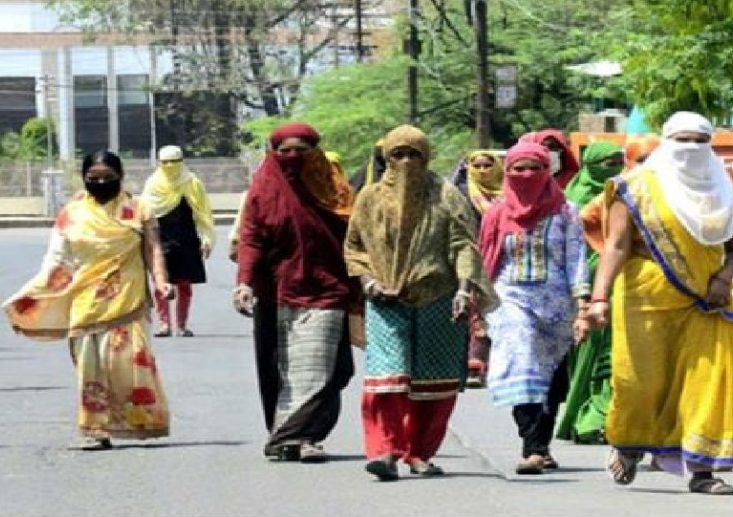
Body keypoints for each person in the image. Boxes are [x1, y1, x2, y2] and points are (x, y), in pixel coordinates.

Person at [589, 112, 733, 495]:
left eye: (700, 141)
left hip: (705, 299)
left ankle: (703, 470)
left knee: (708, 381)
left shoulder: (724, 191)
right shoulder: (634, 187)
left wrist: (723, 279)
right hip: (643, 298)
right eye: (683, 140)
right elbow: (616, 246)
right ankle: (629, 444)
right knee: (641, 384)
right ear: (666, 142)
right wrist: (598, 297)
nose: (691, 149)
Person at [345, 125, 496, 481]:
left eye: (413, 155)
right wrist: (370, 283)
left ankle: (420, 452)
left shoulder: (446, 195)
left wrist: (464, 290)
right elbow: (354, 248)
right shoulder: (369, 198)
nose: (406, 162)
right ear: (386, 158)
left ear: (426, 157)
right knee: (387, 377)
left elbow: (462, 244)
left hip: (438, 296)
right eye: (398, 155)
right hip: (385, 300)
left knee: (436, 381)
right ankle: (384, 451)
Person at [5, 150, 173, 449]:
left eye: (108, 177)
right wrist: (33, 292)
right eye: (93, 177)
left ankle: (139, 420)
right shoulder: (71, 213)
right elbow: (57, 259)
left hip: (127, 299)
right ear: (83, 178)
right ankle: (97, 429)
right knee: (90, 366)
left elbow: (153, 249)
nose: (101, 183)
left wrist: (161, 281)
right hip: (85, 300)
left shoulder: (139, 210)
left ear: (121, 177)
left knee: (126, 362)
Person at [233, 122, 356, 462]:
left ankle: (306, 436)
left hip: (327, 287)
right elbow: (251, 238)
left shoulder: (334, 189)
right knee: (281, 366)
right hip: (276, 291)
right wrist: (244, 281)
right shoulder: (263, 189)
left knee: (324, 367)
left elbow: (358, 236)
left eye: (301, 151)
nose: (292, 157)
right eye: (284, 151)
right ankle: (287, 435)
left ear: (315, 152)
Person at [479, 141, 590, 475]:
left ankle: (543, 444)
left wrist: (582, 304)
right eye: (519, 169)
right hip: (510, 299)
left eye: (535, 168)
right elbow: (486, 256)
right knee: (521, 364)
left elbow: (576, 257)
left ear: (548, 171)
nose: (527, 175)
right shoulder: (497, 212)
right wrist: (476, 301)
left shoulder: (565, 211)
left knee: (551, 375)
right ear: (508, 172)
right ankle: (533, 448)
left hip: (556, 305)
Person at [556, 142, 624, 445]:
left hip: (621, 282)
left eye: (619, 162)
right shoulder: (572, 201)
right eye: (608, 163)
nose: (615, 168)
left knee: (614, 354)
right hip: (584, 286)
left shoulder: (627, 193)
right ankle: (584, 417)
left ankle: (608, 417)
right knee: (588, 355)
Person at [141, 145, 214, 337]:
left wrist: (206, 239)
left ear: (181, 161)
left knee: (184, 285)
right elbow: (145, 213)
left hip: (186, 239)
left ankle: (181, 325)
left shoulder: (192, 183)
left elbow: (203, 213)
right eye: (165, 162)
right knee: (160, 283)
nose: (170, 166)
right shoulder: (153, 184)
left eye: (174, 162)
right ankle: (164, 324)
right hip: (160, 239)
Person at [462, 150, 504, 387]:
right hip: (469, 257)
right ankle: (473, 365)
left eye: (487, 165)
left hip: (499, 257)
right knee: (472, 309)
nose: (482, 170)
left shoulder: (508, 194)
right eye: (476, 166)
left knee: (492, 309)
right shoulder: (461, 193)